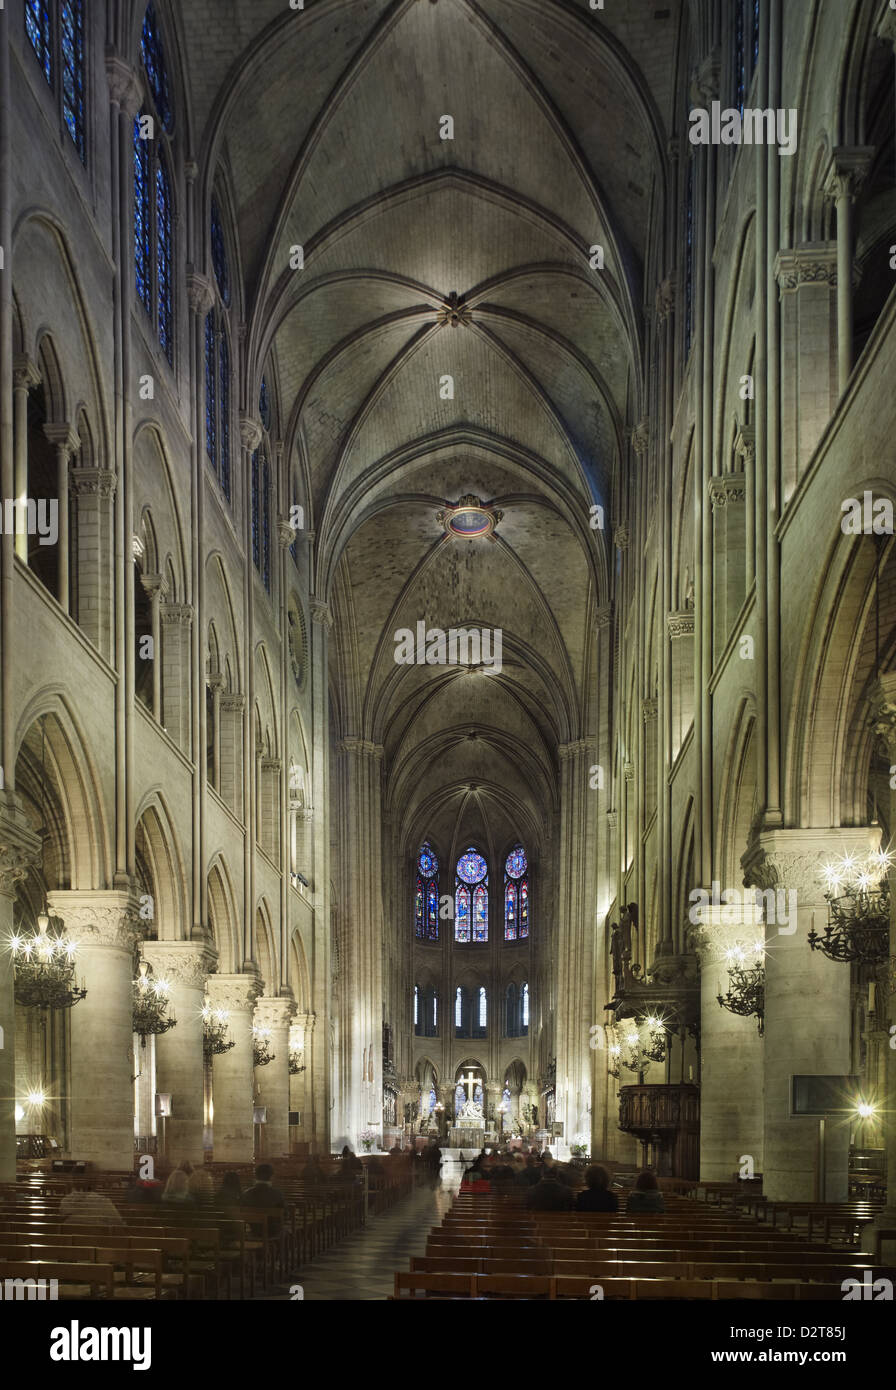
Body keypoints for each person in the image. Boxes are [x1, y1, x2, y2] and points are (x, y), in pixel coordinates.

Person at [241, 1163, 286, 1236]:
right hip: (272, 1231)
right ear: (271, 1176)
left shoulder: (246, 1193)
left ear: (255, 1176)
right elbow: (285, 1214)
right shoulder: (277, 1194)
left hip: (254, 1229)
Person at [58, 1183, 123, 1228]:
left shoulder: (65, 1201)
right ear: (95, 1186)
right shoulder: (104, 1201)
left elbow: (60, 1220)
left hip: (69, 1244)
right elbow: (118, 1224)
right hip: (98, 1242)